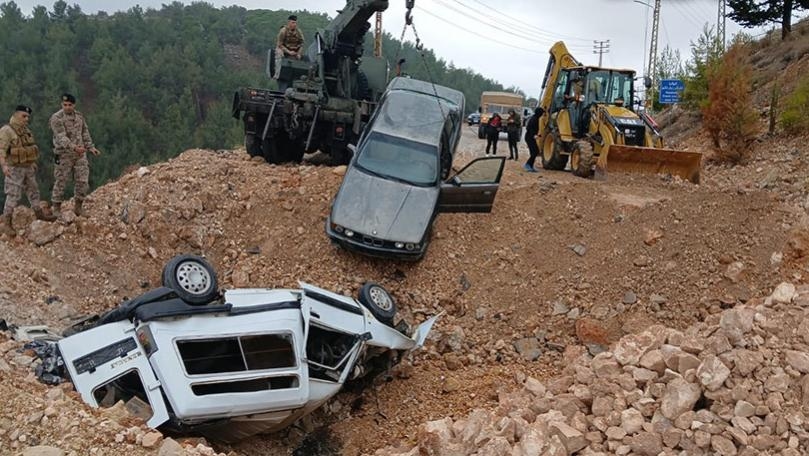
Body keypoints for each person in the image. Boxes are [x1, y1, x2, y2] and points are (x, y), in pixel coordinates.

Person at [0, 105, 56, 235]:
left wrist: (32, 162)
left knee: (33, 191)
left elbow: (28, 147)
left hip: (27, 167)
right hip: (14, 168)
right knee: (13, 195)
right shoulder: (6, 130)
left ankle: (39, 214)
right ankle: (7, 223)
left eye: (28, 117)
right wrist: (4, 166)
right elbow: (1, 149)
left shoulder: (25, 130)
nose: (26, 119)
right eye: (23, 116)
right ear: (15, 115)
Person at [50, 93, 99, 217]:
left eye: (69, 105)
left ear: (74, 105)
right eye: (64, 105)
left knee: (82, 181)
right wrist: (74, 147)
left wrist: (91, 147)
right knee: (61, 181)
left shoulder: (79, 117)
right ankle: (56, 208)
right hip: (64, 154)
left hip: (80, 155)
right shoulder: (57, 118)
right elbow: (61, 136)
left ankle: (78, 207)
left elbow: (85, 132)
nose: (67, 107)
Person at [523, 107, 544, 173]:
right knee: (534, 152)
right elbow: (530, 128)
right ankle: (527, 165)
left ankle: (531, 166)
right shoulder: (534, 119)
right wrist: (534, 135)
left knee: (535, 151)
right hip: (529, 137)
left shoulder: (536, 118)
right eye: (542, 113)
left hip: (530, 137)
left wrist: (537, 135)